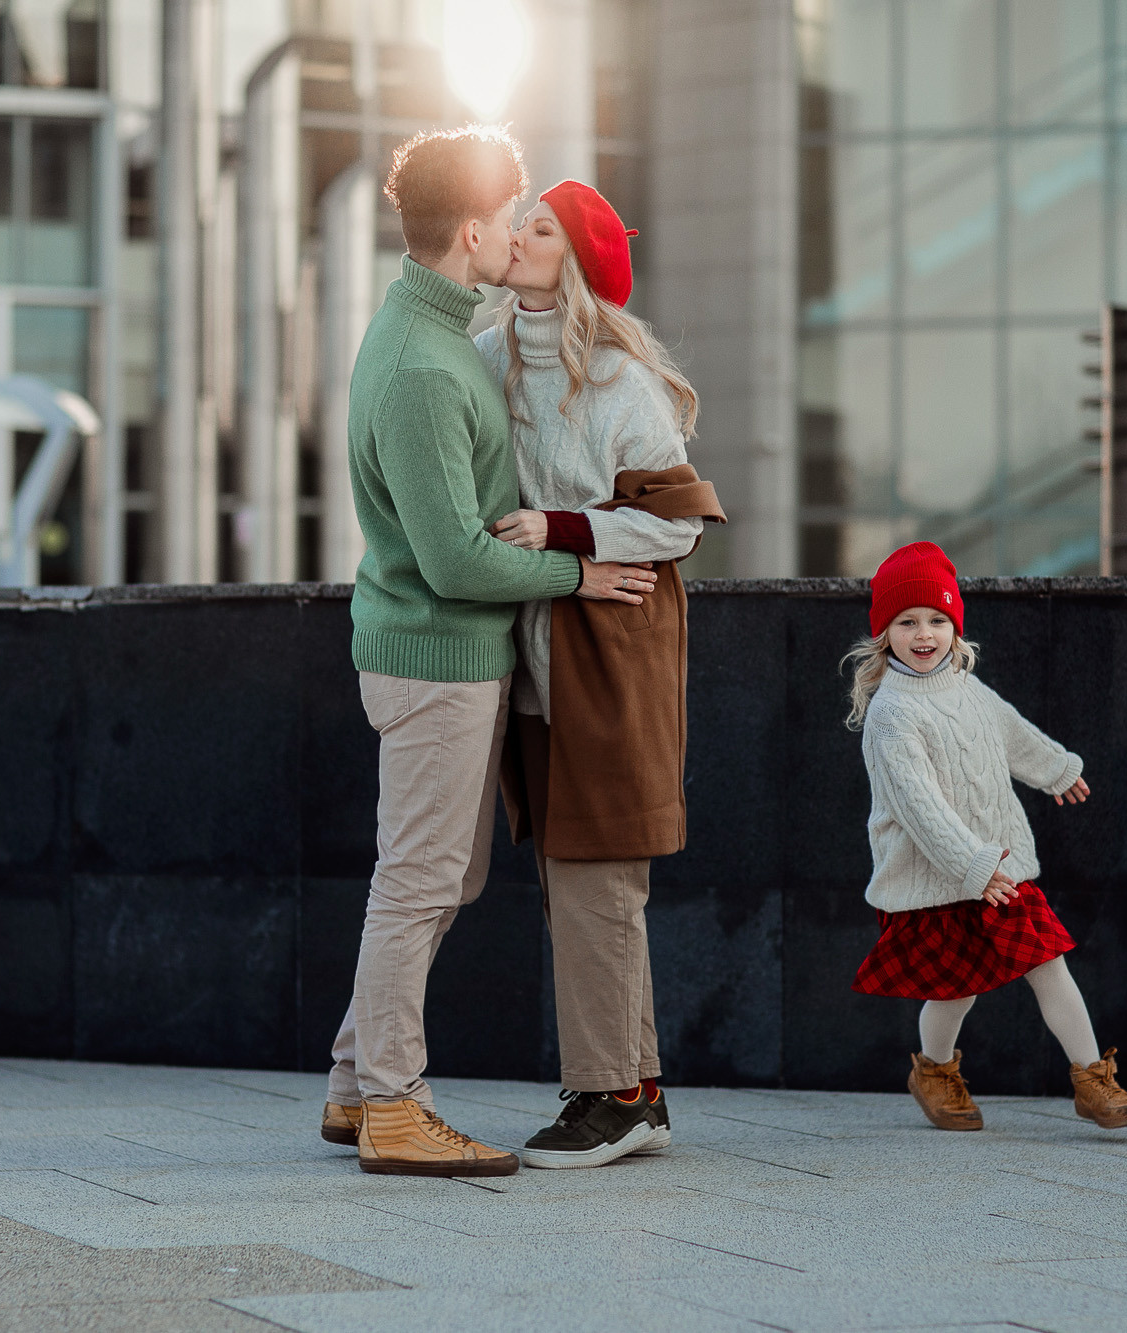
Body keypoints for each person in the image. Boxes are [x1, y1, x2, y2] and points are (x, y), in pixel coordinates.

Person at [319, 126, 660, 1178]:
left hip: (449, 662)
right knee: (419, 883)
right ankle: (392, 1103)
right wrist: (576, 572)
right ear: (471, 232)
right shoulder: (426, 367)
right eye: (510, 218)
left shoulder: (433, 334)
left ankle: (352, 1082)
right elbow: (455, 559)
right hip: (435, 661)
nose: (518, 235)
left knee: (441, 878)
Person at [477, 180, 724, 1169]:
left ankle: (608, 1096)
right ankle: (636, 1090)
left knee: (597, 880)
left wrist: (561, 528)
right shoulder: (486, 355)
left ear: (576, 259)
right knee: (575, 882)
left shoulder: (621, 379)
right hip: (534, 655)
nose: (518, 235)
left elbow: (677, 524)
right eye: (519, 221)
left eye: (540, 227)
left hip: (611, 651)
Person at [842, 542, 1127, 1132]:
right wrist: (971, 867)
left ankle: (1093, 1079)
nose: (924, 634)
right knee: (956, 992)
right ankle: (934, 1071)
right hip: (941, 880)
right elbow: (920, 808)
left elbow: (1011, 732)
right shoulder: (892, 714)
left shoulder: (967, 687)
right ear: (884, 634)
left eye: (937, 620)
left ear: (955, 628)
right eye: (907, 622)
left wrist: (1056, 769)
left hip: (1002, 871)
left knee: (1049, 964)